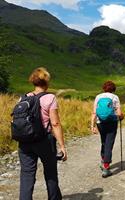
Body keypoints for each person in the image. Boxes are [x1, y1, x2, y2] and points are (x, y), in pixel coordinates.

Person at [18, 67, 67, 200]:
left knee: (27, 175)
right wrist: (62, 146)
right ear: (46, 82)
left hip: (24, 142)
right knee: (50, 172)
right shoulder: (50, 97)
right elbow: (55, 123)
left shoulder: (24, 98)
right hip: (44, 141)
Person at [91, 81, 124, 178]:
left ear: (104, 88)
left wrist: (92, 126)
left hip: (100, 123)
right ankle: (106, 168)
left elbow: (94, 112)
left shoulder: (98, 97)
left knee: (104, 141)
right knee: (109, 143)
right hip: (111, 123)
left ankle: (103, 159)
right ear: (113, 89)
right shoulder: (115, 97)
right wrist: (122, 116)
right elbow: (119, 113)